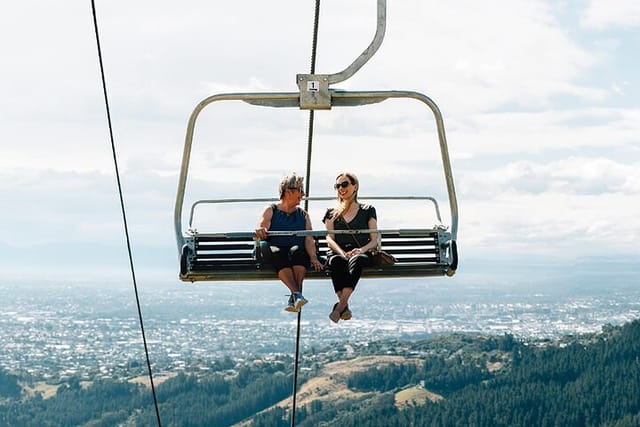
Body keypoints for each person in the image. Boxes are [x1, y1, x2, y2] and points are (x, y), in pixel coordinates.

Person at [255, 172, 324, 312]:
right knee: (277, 251)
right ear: (288, 191)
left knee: (298, 252)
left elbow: (308, 238)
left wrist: (314, 258)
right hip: (273, 251)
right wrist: (261, 230)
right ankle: (297, 293)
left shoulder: (303, 215)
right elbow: (263, 226)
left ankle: (295, 296)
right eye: (300, 190)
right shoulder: (271, 210)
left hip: (293, 252)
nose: (303, 194)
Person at [323, 172, 378, 323]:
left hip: (360, 251)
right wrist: (341, 252)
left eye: (345, 184)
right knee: (336, 261)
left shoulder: (368, 210)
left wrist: (361, 250)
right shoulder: (331, 213)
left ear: (355, 186)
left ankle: (340, 306)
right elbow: (329, 238)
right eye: (338, 186)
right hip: (338, 251)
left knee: (357, 259)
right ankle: (343, 306)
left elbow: (374, 240)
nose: (341, 188)